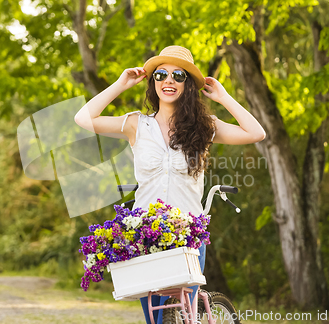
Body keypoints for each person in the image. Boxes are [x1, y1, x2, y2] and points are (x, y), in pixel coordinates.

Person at [74, 45, 266, 324]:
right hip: (145, 234)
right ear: (153, 82)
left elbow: (256, 133)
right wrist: (120, 84)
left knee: (185, 315)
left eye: (179, 75)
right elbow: (83, 119)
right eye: (161, 74)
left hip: (187, 234)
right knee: (156, 317)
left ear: (188, 85)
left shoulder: (204, 127)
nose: (169, 81)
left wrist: (224, 97)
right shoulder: (136, 124)